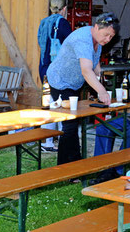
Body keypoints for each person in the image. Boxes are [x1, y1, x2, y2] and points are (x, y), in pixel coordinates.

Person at [46, 12, 120, 165]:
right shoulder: (83, 39)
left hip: (74, 83)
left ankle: (75, 163)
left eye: (111, 37)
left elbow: (95, 64)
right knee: (69, 124)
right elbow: (86, 70)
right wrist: (101, 91)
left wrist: (101, 79)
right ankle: (64, 167)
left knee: (75, 121)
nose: (107, 40)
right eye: (106, 35)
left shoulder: (97, 40)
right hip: (60, 80)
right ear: (97, 27)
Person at [37, 0, 72, 153]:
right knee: (59, 103)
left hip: (43, 65)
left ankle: (47, 140)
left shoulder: (44, 22)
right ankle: (52, 139)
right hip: (57, 68)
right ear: (64, 9)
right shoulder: (63, 23)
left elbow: (40, 42)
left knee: (49, 102)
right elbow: (70, 44)